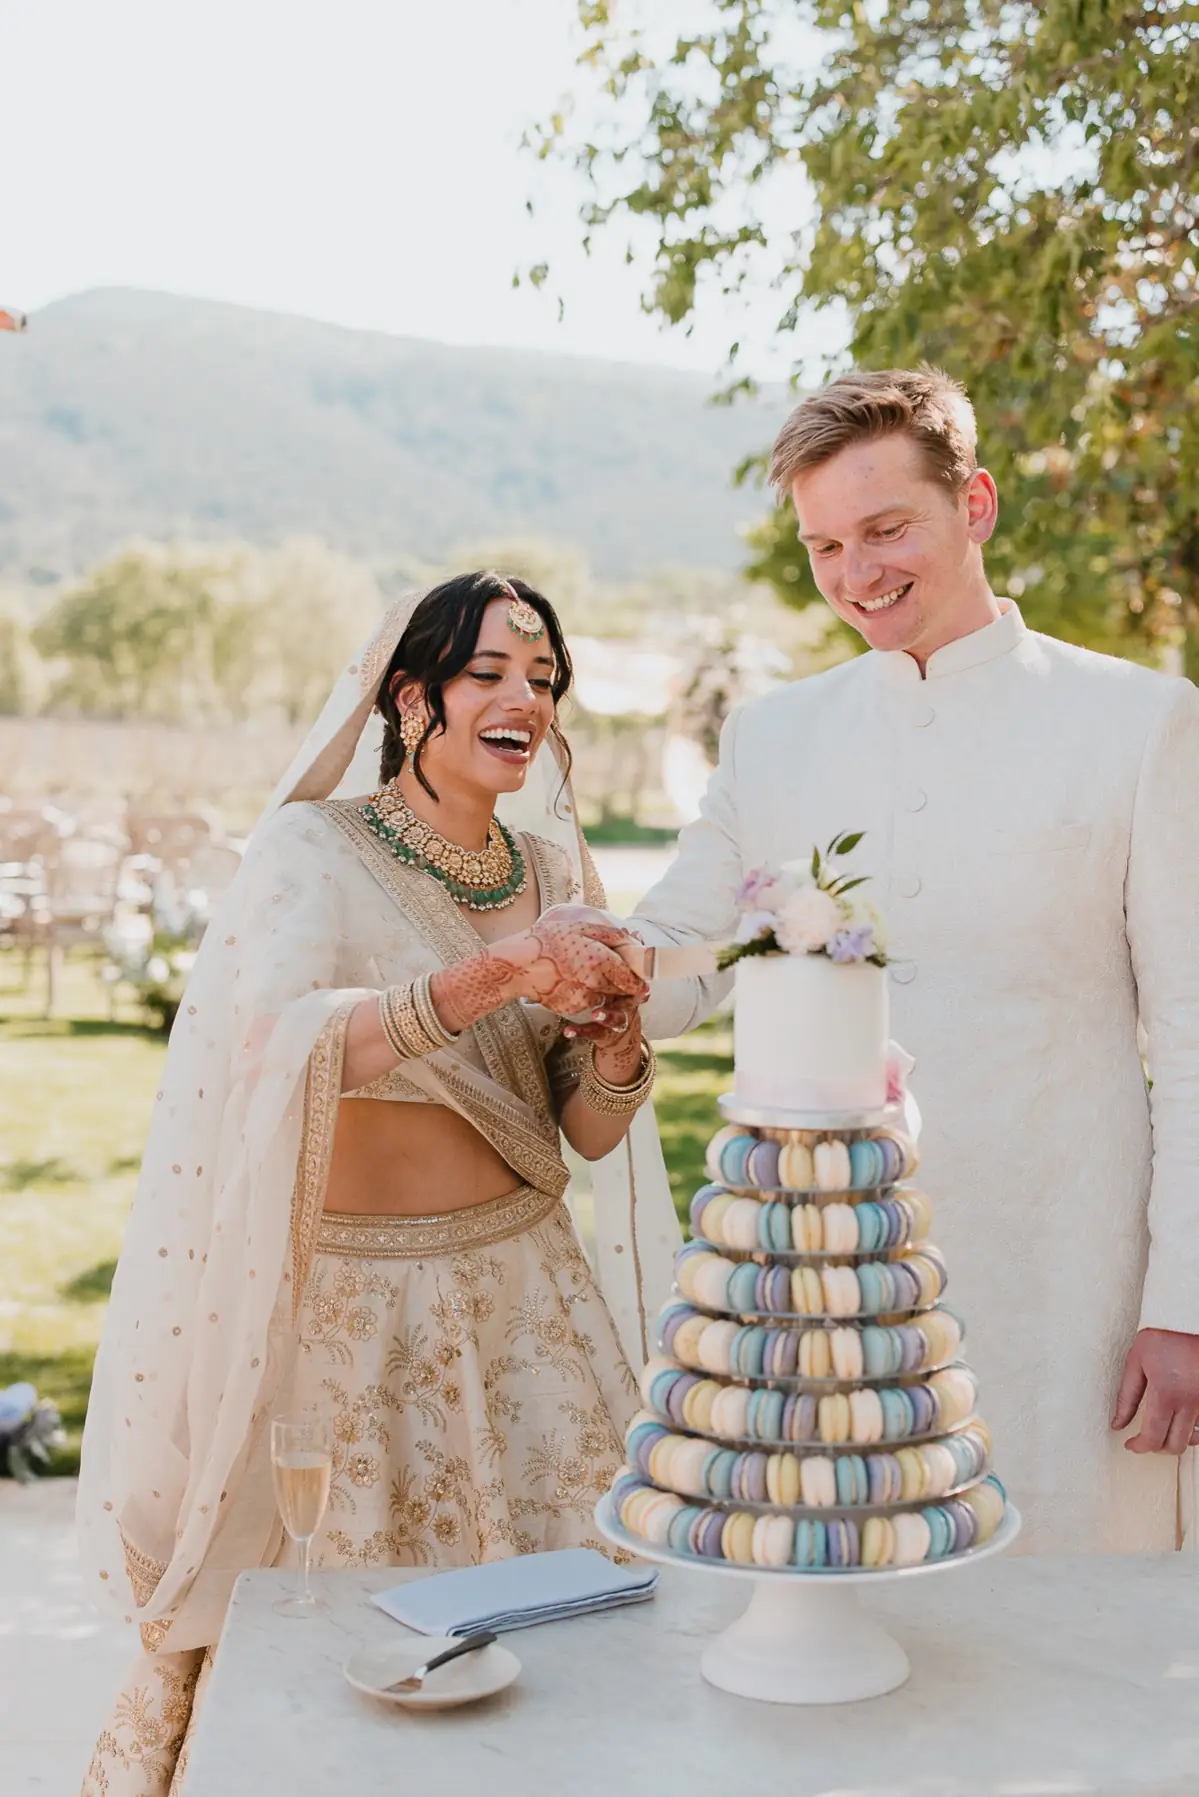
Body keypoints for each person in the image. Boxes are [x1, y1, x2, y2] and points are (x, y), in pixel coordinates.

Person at [77, 572, 681, 1795]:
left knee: (572, 1645)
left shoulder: (553, 860)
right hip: (354, 1319)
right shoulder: (317, 847)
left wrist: (615, 1051)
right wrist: (497, 973)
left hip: (527, 1303)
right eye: (489, 675)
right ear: (410, 698)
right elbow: (275, 1047)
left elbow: (583, 1133)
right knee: (349, 1658)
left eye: (545, 681)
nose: (524, 700)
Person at [616, 367, 1199, 1557]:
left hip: (1071, 1284)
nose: (856, 575)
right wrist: (553, 952)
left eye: (885, 529)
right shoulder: (772, 738)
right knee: (846, 1625)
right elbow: (674, 967)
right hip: (829, 1308)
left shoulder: (1140, 723)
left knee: (1073, 1642)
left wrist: (1182, 1308)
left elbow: (1193, 1035)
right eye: (826, 545)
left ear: (973, 505)